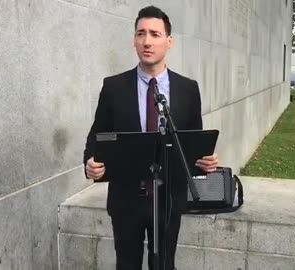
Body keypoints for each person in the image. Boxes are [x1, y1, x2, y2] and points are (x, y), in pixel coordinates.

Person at [83, 6, 218, 270]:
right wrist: (90, 163)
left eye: (155, 34)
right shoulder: (113, 87)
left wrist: (205, 162)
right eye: (141, 33)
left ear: (169, 42)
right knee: (127, 264)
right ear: (134, 40)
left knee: (165, 265)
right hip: (126, 199)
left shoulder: (188, 89)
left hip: (168, 199)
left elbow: (191, 143)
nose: (147, 41)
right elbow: (96, 136)